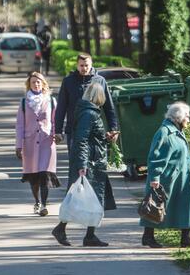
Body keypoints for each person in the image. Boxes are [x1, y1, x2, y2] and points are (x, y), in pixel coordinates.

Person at [51, 82, 109, 247]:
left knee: (92, 200)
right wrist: (83, 164)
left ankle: (89, 235)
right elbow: (81, 139)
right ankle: (62, 229)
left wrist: (104, 137)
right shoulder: (89, 114)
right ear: (98, 96)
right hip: (90, 162)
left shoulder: (88, 111)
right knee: (81, 199)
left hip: (92, 160)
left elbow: (89, 137)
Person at [140, 102, 190, 248]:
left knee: (185, 206)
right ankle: (148, 236)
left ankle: (186, 237)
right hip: (167, 178)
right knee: (155, 206)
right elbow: (155, 156)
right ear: (179, 117)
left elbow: (180, 151)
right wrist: (155, 177)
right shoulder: (165, 132)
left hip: (181, 178)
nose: (189, 119)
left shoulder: (177, 130)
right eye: (187, 116)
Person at [15, 72, 60, 217]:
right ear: (29, 84)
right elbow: (20, 125)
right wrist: (18, 146)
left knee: (44, 174)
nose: (36, 84)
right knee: (33, 176)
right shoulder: (24, 102)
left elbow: (55, 121)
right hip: (29, 143)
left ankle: (44, 205)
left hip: (47, 142)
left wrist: (57, 134)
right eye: (33, 82)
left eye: (39, 82)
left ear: (43, 84)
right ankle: (37, 201)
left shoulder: (51, 101)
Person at [54, 53, 119, 149]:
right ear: (77, 65)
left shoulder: (100, 81)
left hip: (95, 130)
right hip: (74, 130)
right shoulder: (68, 81)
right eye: (81, 65)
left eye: (86, 65)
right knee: (75, 161)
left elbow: (109, 107)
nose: (84, 68)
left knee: (94, 161)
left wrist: (113, 128)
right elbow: (61, 107)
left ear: (91, 65)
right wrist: (58, 130)